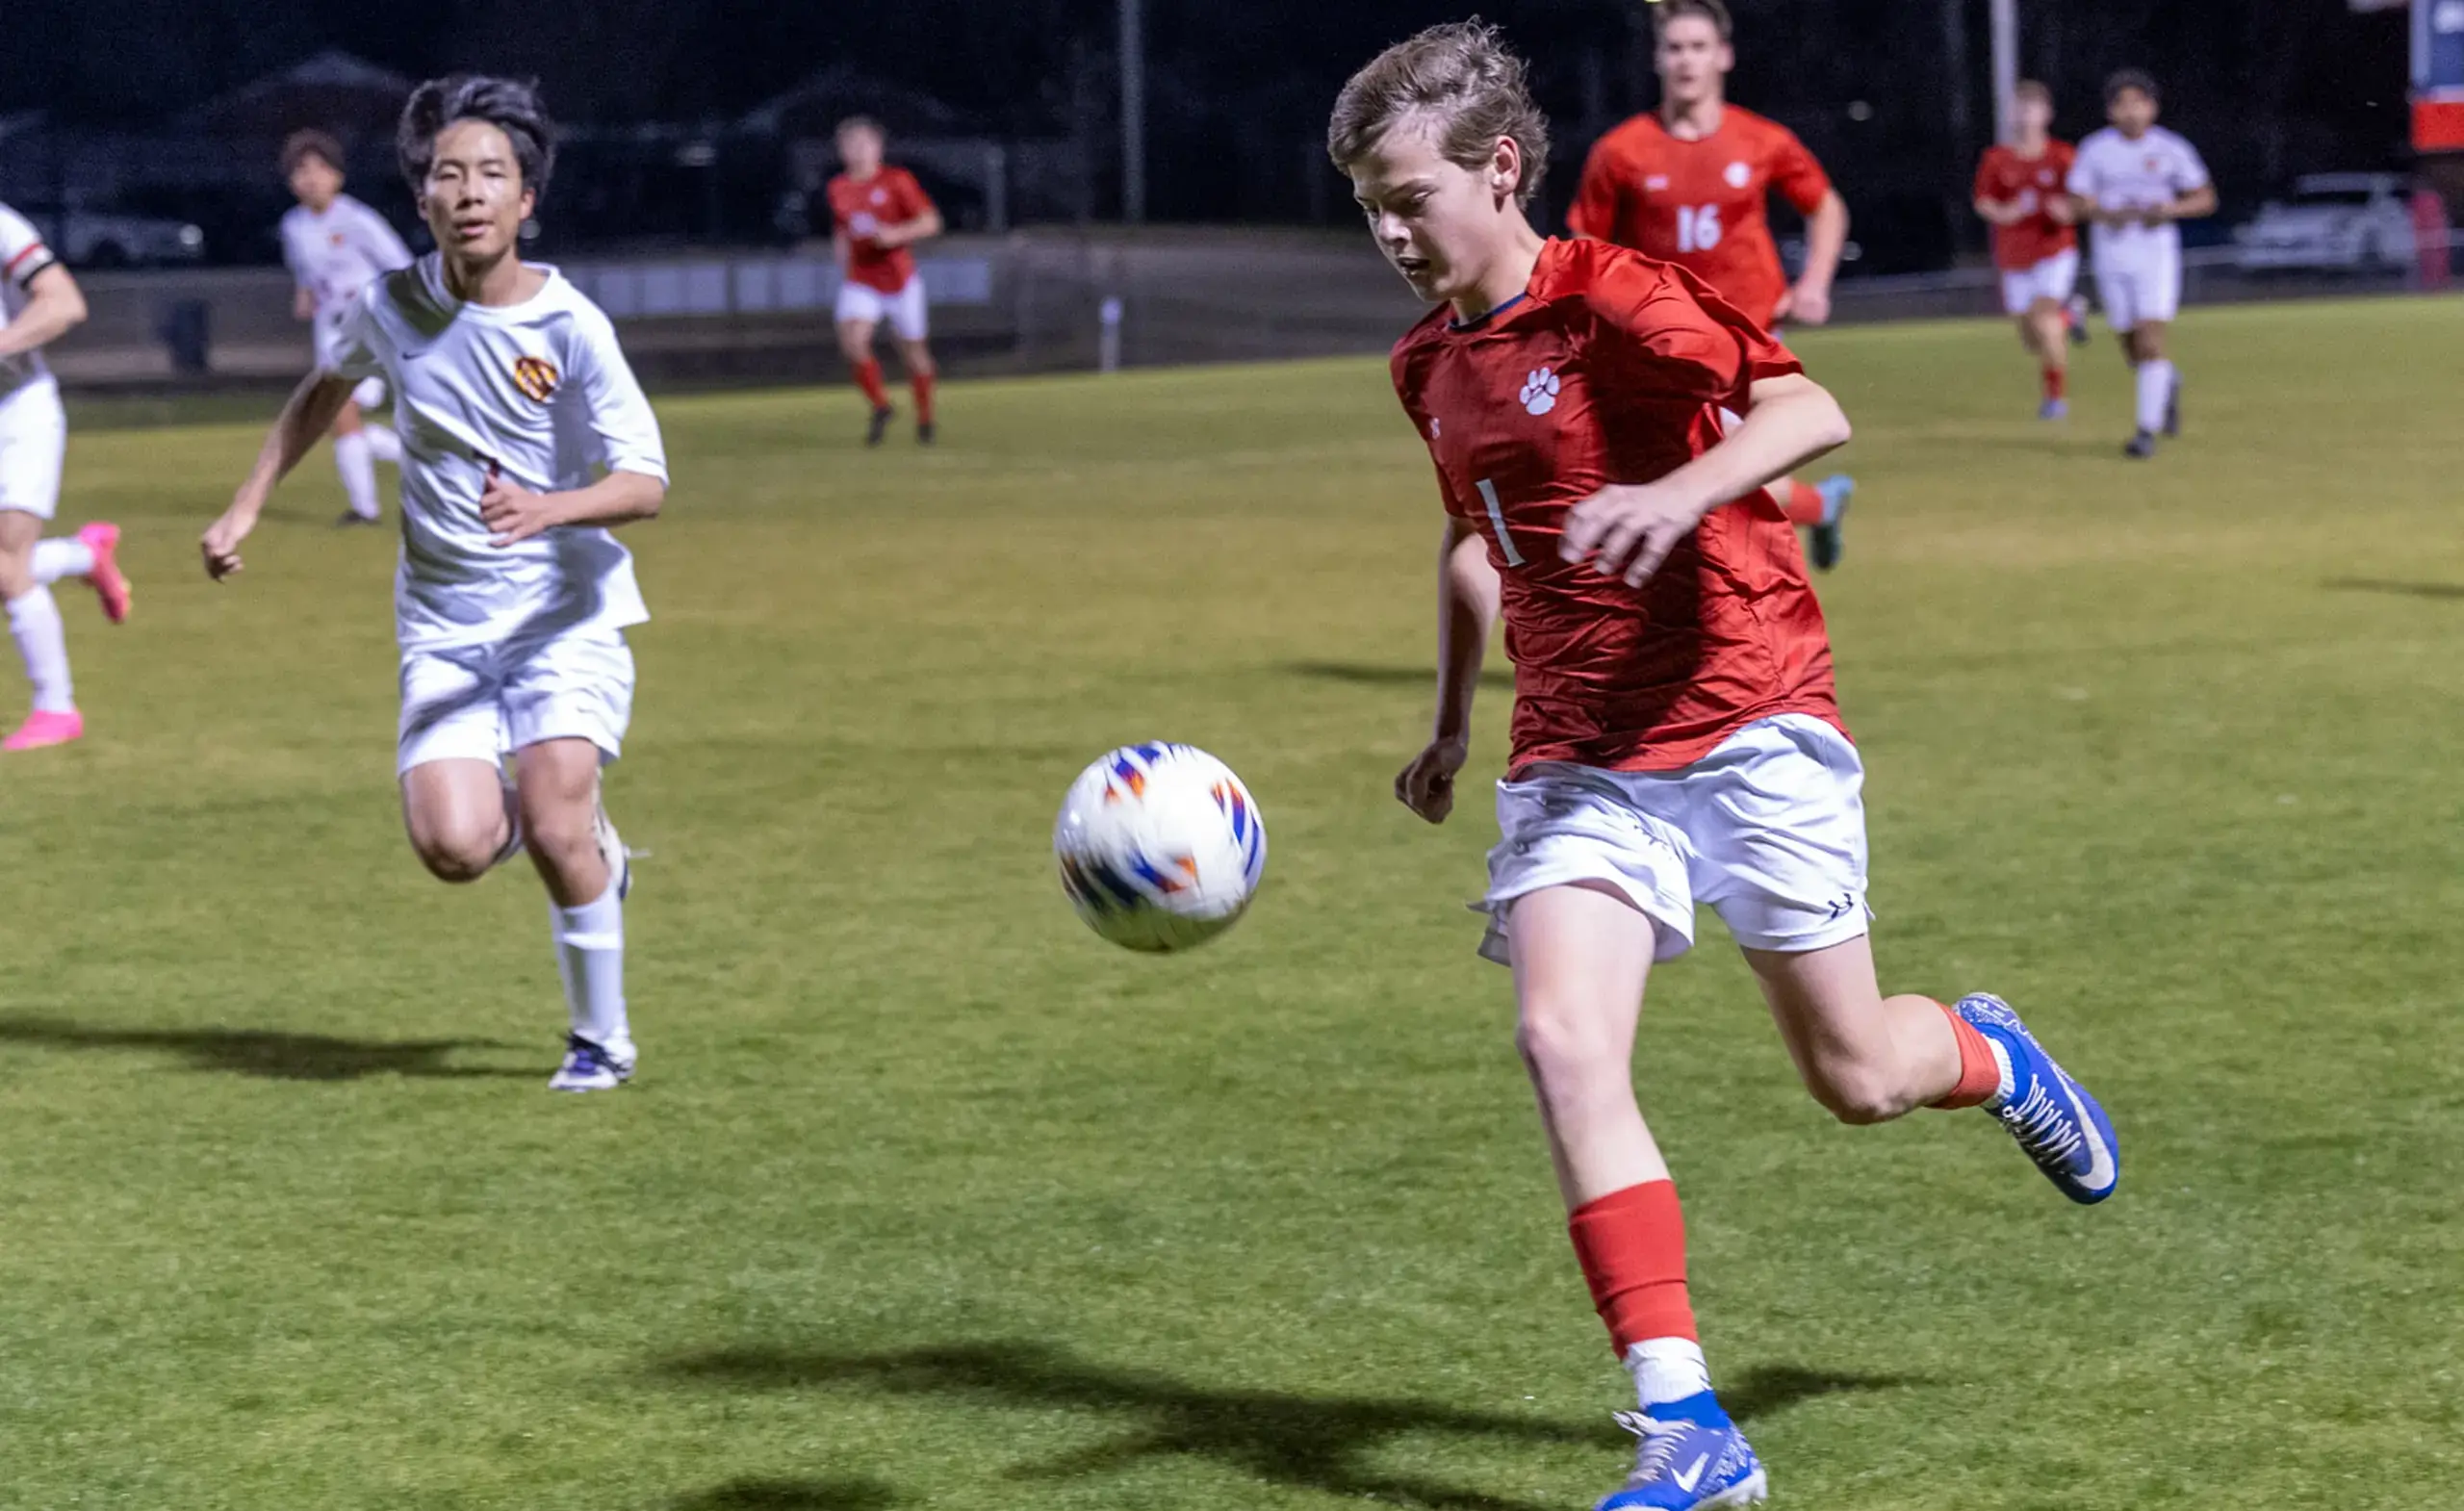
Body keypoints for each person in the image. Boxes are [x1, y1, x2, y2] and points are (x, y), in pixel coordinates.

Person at [1330, 23, 2118, 1510]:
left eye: (1406, 195)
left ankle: (1990, 1054)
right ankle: (1691, 1427)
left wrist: (1676, 487)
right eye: (1365, 203)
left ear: (1501, 171)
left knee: (1857, 1076)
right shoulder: (1424, 363)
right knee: (1563, 1040)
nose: (1386, 230)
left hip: (1747, 709)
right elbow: (1468, 538)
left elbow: (1809, 408)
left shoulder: (1616, 294)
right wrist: (1447, 720)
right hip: (1575, 747)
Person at [202, 76, 667, 1092]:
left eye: (491, 175)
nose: (469, 192)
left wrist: (551, 507)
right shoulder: (393, 304)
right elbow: (323, 389)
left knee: (550, 823)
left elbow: (646, 483)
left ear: (525, 200)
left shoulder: (571, 325)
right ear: (423, 202)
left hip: (561, 614)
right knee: (454, 847)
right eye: (449, 174)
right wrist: (245, 504)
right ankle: (590, 843)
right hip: (446, 624)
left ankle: (601, 1040)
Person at [1568, 0, 1853, 570]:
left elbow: (1825, 206)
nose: (1686, 61)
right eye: (1675, 48)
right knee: (1700, 477)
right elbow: (1586, 251)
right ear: (1657, 59)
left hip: (1749, 337)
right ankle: (1821, 507)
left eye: (1699, 47)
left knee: (1723, 474)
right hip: (1659, 341)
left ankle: (1752, 617)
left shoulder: (1762, 140)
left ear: (1724, 56)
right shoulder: (1620, 151)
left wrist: (1815, 281)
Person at [0, 201, 131, 752]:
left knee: (6, 565)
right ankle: (84, 556)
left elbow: (64, 303)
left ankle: (56, 708)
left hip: (16, 412)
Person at [2066, 71, 2215, 459]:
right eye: (2123, 104)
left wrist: (2170, 209)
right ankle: (2167, 382)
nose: (2132, 111)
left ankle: (2144, 433)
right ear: (2111, 111)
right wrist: (2103, 213)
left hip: (2156, 253)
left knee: (2150, 339)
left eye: (2139, 103)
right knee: (2132, 347)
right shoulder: (2096, 150)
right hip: (2113, 254)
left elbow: (2204, 198)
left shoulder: (2170, 148)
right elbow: (2076, 202)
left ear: (2153, 108)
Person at [279, 129, 416, 526]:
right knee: (336, 418)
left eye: (320, 168)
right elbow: (304, 270)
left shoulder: (357, 220)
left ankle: (365, 509)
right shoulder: (293, 225)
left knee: (341, 409)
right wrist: (304, 293)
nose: (311, 178)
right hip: (330, 329)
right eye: (301, 171)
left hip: (370, 326)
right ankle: (417, 458)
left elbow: (400, 265)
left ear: (337, 176)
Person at [827, 116, 943, 446]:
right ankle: (881, 405)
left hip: (900, 279)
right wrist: (842, 258)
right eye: (851, 145)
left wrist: (896, 234)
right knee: (852, 340)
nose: (858, 151)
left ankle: (925, 419)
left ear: (878, 147)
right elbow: (841, 228)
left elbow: (931, 222)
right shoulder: (838, 187)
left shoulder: (897, 181)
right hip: (862, 278)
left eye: (864, 143)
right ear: (842, 150)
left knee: (913, 353)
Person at [1972, 82, 2079, 420]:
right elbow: (1983, 201)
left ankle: (2055, 399)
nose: (2025, 115)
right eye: (2020, 107)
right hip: (2015, 254)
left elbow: (2082, 198)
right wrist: (2002, 213)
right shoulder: (1996, 158)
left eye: (2032, 107)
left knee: (2045, 321)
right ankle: (2070, 314)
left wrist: (2070, 210)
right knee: (2032, 337)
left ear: (2047, 113)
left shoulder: (2062, 155)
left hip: (2055, 249)